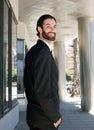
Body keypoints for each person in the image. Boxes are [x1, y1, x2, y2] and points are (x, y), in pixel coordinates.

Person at [24, 14, 62, 130]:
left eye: (54, 26)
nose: (52, 30)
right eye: (48, 26)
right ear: (39, 29)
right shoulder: (42, 53)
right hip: (44, 119)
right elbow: (41, 91)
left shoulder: (36, 50)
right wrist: (55, 117)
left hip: (37, 116)